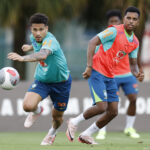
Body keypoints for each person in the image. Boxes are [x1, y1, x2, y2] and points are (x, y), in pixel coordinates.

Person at [66, 6, 144, 145]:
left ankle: (86, 134)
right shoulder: (114, 31)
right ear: (124, 18)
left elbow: (132, 65)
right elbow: (92, 42)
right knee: (102, 106)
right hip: (97, 70)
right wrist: (89, 66)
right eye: (129, 18)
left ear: (138, 22)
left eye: (134, 19)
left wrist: (137, 73)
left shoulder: (135, 42)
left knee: (113, 111)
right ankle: (74, 122)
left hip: (110, 75)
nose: (131, 21)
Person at [8, 13, 72, 145]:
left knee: (57, 117)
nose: (38, 33)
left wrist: (23, 57)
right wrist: (30, 47)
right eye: (35, 29)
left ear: (47, 29)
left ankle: (51, 133)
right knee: (27, 106)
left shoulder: (51, 41)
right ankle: (37, 111)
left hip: (61, 83)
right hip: (42, 80)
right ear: (30, 29)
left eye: (41, 29)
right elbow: (37, 45)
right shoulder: (34, 37)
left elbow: (43, 54)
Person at [96, 9, 144, 140]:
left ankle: (129, 128)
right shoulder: (108, 36)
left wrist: (138, 72)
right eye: (111, 21)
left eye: (115, 21)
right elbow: (96, 52)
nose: (113, 23)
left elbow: (134, 58)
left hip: (126, 74)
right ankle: (102, 130)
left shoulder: (131, 38)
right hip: (110, 75)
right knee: (109, 106)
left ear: (120, 21)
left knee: (133, 99)